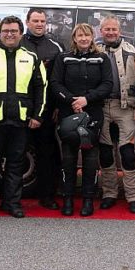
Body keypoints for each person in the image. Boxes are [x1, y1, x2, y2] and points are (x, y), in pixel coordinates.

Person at [0, 15, 47, 219]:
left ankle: (11, 203)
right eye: (6, 31)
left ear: (21, 34)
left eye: (14, 31)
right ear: (0, 33)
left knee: (16, 164)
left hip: (21, 119)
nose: (10, 34)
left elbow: (41, 88)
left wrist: (38, 115)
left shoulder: (31, 57)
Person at [50, 23, 113, 216]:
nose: (84, 38)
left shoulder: (102, 58)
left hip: (92, 114)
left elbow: (107, 85)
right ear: (74, 38)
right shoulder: (64, 58)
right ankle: (67, 200)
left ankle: (88, 200)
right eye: (80, 35)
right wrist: (71, 101)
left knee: (90, 160)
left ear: (92, 37)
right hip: (68, 113)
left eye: (87, 35)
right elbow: (55, 84)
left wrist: (87, 99)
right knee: (68, 159)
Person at [96, 16, 135, 214]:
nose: (110, 32)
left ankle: (133, 196)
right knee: (106, 153)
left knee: (127, 153)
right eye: (106, 29)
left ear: (120, 30)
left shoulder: (132, 51)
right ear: (101, 31)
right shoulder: (95, 50)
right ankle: (109, 193)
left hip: (125, 107)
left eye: (113, 29)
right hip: (101, 107)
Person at [21, 8, 64, 210]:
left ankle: (47, 196)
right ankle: (10, 196)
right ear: (27, 22)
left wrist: (57, 107)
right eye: (35, 20)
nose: (39, 24)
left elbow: (59, 80)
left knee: (46, 155)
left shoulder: (55, 46)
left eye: (42, 21)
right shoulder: (17, 43)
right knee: (15, 153)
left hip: (46, 109)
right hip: (19, 107)